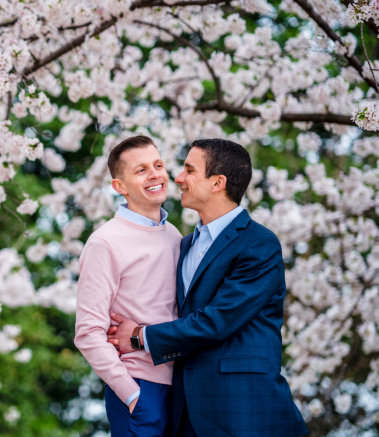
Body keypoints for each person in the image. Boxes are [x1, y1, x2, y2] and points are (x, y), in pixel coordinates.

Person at [106, 138, 309, 437]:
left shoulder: (258, 243)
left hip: (243, 411)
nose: (178, 178)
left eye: (189, 170)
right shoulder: (183, 244)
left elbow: (218, 321)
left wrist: (139, 336)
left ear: (217, 183)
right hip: (184, 412)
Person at [74, 135, 182, 436]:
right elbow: (88, 333)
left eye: (158, 165)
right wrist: (132, 395)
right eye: (141, 170)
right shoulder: (105, 243)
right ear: (120, 187)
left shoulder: (174, 234)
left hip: (182, 387)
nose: (155, 175)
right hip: (139, 388)